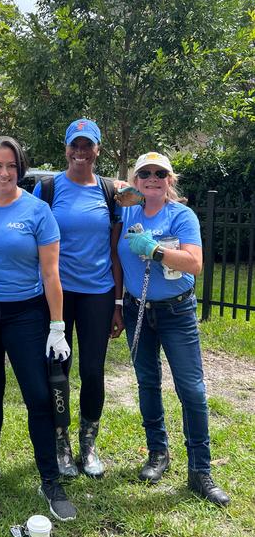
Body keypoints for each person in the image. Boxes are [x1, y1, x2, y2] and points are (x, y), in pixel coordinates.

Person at [0, 136, 77, 521]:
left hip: (24, 312)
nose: (4, 172)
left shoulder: (38, 211)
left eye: (11, 165)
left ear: (20, 170)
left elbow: (51, 273)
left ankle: (49, 479)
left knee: (38, 395)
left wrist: (57, 326)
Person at [118, 151, 230, 506]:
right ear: (136, 181)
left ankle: (200, 470)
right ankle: (157, 453)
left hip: (176, 312)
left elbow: (194, 263)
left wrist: (155, 251)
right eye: (145, 174)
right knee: (147, 382)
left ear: (170, 180)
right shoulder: (127, 212)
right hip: (138, 309)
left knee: (191, 389)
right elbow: (105, 190)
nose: (152, 179)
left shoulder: (181, 215)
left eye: (159, 173)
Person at [34, 119, 124, 478]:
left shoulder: (109, 192)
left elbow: (115, 251)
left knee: (92, 370)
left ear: (98, 149)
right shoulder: (48, 188)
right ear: (66, 148)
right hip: (56, 293)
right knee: (58, 370)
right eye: (75, 145)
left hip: (97, 293)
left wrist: (118, 303)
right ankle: (61, 444)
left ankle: (88, 444)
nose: (81, 152)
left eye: (87, 145)